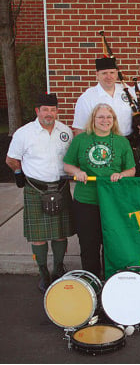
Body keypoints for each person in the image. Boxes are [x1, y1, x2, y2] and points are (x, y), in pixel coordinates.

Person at [6, 93, 74, 292]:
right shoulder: (24, 133)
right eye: (45, 110)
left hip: (60, 187)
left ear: (57, 111)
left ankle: (58, 268)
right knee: (39, 236)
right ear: (37, 111)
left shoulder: (65, 131)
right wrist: (19, 173)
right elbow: (11, 159)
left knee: (61, 233)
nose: (49, 114)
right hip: (36, 188)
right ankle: (43, 272)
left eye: (53, 110)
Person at [63, 104, 135, 279]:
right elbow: (67, 165)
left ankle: (111, 281)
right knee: (88, 243)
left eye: (109, 117)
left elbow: (131, 170)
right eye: (101, 117)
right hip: (86, 201)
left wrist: (121, 174)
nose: (105, 121)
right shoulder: (81, 140)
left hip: (112, 202)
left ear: (114, 120)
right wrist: (77, 172)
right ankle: (91, 280)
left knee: (111, 243)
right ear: (93, 119)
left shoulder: (121, 141)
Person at [72, 57, 134, 137]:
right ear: (97, 75)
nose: (109, 77)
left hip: (127, 141)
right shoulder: (87, 98)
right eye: (104, 73)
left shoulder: (128, 91)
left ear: (116, 74)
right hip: (100, 143)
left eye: (112, 73)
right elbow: (79, 129)